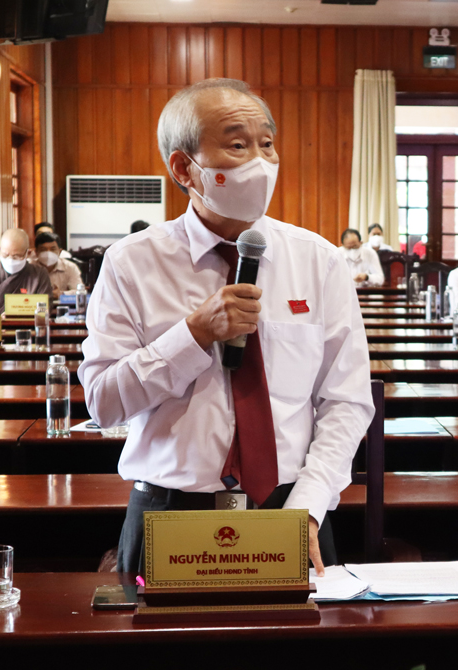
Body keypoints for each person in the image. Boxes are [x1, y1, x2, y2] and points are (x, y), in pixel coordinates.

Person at [79, 78, 374, 576]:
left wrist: (310, 503)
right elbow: (104, 403)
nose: (259, 161)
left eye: (267, 144)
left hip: (293, 512)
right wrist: (190, 335)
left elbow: (346, 401)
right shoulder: (131, 263)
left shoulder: (318, 260)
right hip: (170, 514)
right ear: (184, 167)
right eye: (237, 145)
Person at [0, 229, 54, 315]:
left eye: (16, 256)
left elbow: (45, 307)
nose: (10, 260)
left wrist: (17, 314)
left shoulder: (39, 274)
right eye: (5, 255)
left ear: (28, 253)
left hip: (27, 326)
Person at [35, 232, 83, 299]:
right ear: (36, 252)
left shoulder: (70, 267)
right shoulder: (29, 268)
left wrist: (61, 294)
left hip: (62, 306)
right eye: (43, 249)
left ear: (60, 251)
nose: (48, 253)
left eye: (53, 249)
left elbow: (79, 291)